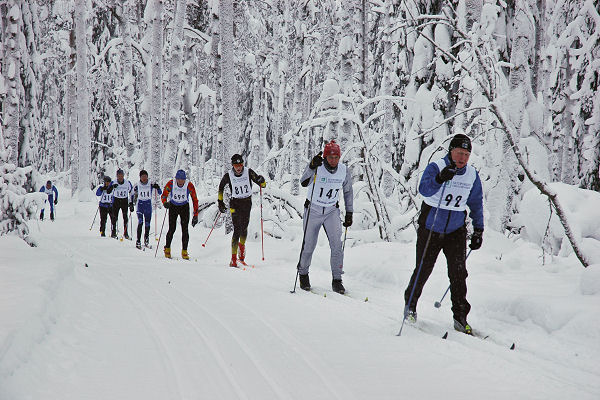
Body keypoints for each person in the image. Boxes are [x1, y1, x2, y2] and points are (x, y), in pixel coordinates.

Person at [403, 134, 484, 335]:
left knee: (458, 274)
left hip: (455, 229)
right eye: (459, 153)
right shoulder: (437, 166)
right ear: (451, 151)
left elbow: (476, 202)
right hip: (431, 225)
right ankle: (410, 306)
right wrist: (440, 179)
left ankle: (460, 316)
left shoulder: (471, 174)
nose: (462, 158)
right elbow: (424, 189)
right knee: (423, 268)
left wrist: (479, 229)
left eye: (466, 154)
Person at [297, 140, 353, 294]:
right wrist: (311, 167)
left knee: (337, 246)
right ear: (326, 156)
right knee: (309, 245)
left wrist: (349, 212)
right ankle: (303, 274)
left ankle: (337, 280)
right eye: (330, 157)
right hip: (313, 210)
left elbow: (348, 192)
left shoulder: (343, 170)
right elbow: (303, 182)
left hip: (331, 211)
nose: (333, 160)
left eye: (336, 157)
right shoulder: (318, 167)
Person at [217, 154, 266, 267]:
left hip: (246, 203)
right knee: (237, 229)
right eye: (236, 165)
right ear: (232, 165)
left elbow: (262, 185)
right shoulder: (228, 175)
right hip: (235, 203)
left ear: (243, 164)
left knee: (244, 228)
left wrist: (262, 180)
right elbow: (221, 187)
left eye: (240, 165)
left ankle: (241, 252)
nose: (238, 168)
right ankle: (233, 259)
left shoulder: (248, 172)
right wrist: (220, 202)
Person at [161, 169, 199, 260]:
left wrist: (196, 214)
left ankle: (184, 251)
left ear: (185, 179)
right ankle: (167, 249)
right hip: (173, 206)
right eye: (179, 179)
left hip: (184, 207)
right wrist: (165, 203)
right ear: (176, 179)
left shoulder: (189, 185)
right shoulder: (171, 183)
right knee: (172, 229)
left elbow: (195, 199)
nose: (181, 181)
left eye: (183, 179)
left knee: (185, 230)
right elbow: (164, 195)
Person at [131, 170, 162, 249]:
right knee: (140, 222)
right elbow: (131, 193)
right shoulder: (137, 184)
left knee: (147, 224)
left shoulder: (151, 183)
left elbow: (160, 192)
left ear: (147, 177)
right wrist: (130, 203)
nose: (144, 178)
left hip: (148, 205)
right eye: (142, 176)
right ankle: (138, 241)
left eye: (145, 176)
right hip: (140, 205)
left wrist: (157, 187)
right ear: (140, 177)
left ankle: (146, 241)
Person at [111, 168, 133, 239]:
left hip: (124, 201)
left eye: (121, 175)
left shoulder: (127, 183)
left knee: (125, 217)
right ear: (117, 176)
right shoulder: (114, 182)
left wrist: (131, 202)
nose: (120, 177)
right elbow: (108, 191)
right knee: (115, 217)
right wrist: (112, 187)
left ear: (123, 176)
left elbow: (131, 192)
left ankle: (126, 233)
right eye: (119, 175)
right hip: (116, 201)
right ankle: (113, 232)